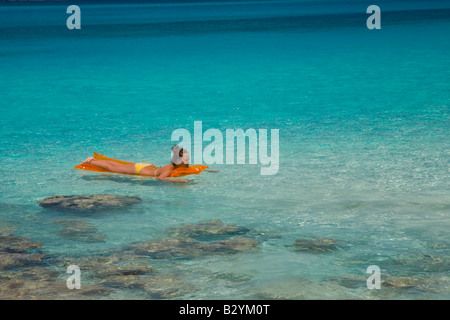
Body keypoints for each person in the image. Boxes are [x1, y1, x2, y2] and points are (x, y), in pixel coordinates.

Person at [81, 146, 190, 182]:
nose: (189, 161)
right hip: (141, 170)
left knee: (117, 165)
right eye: (186, 159)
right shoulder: (169, 168)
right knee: (113, 168)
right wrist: (177, 181)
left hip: (147, 166)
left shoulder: (173, 167)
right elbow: (160, 178)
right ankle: (91, 161)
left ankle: (94, 160)